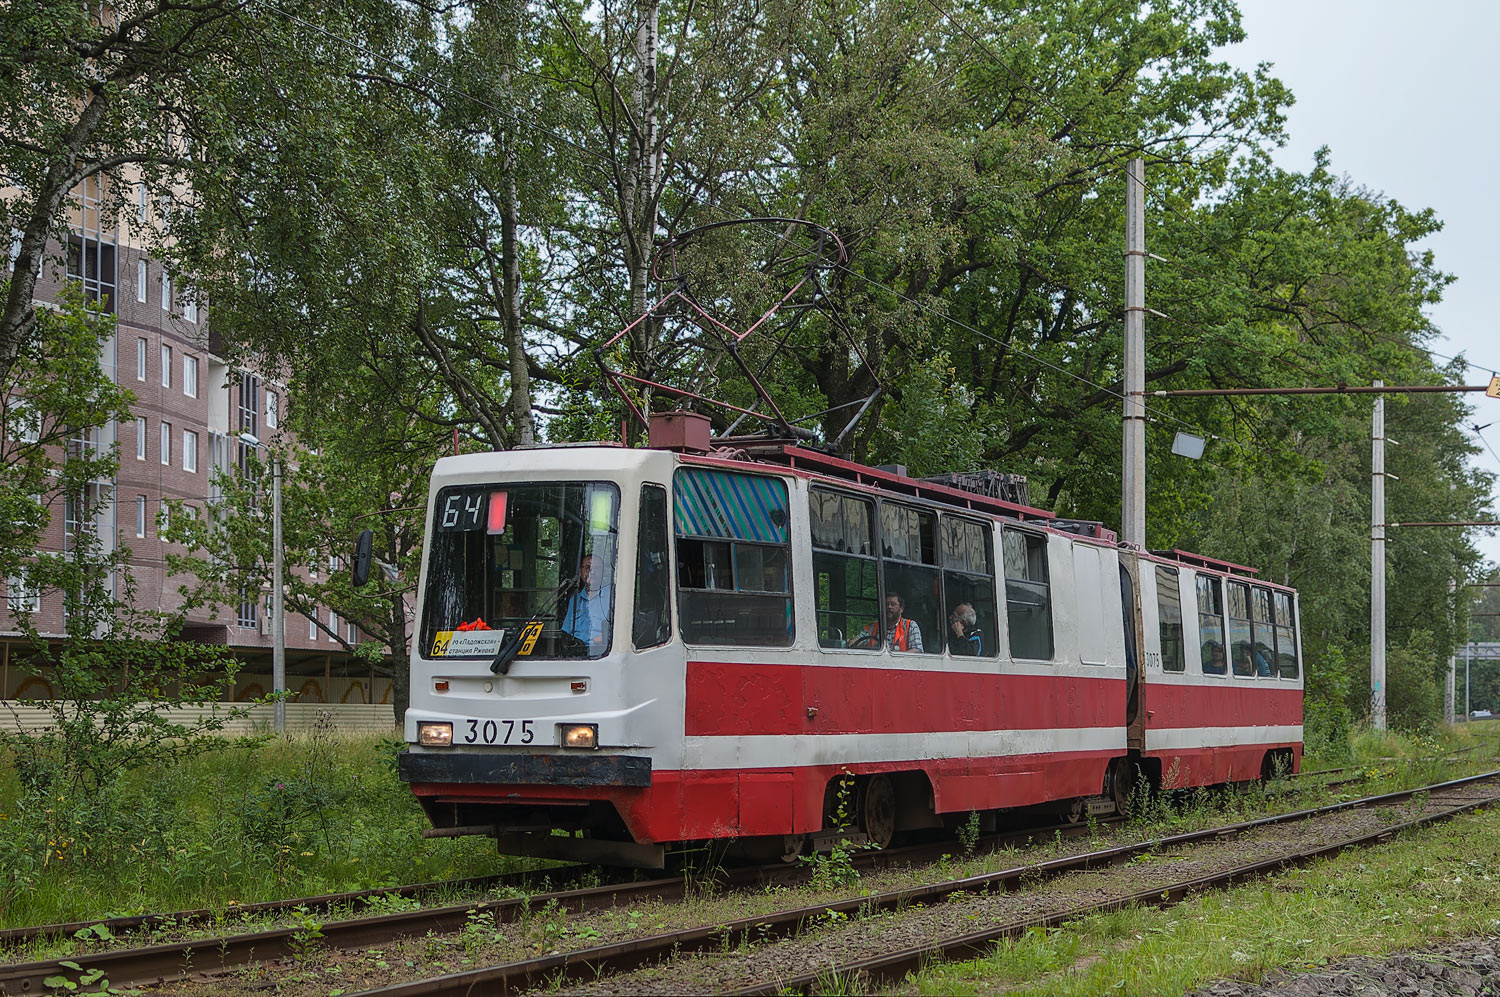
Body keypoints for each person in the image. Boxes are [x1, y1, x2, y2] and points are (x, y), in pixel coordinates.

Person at [560, 553, 612, 652]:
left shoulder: (612, 597)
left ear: (602, 572)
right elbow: (566, 632)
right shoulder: (574, 599)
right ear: (580, 572)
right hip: (575, 654)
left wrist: (607, 636)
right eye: (588, 568)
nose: (592, 572)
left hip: (601, 653)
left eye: (596, 569)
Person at [854, 591, 924, 653]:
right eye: (886, 604)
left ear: (901, 609)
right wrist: (850, 642)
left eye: (893, 604)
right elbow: (857, 641)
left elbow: (917, 650)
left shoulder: (910, 626)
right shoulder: (872, 627)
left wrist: (897, 658)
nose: (889, 607)